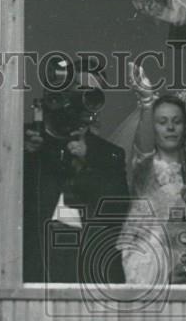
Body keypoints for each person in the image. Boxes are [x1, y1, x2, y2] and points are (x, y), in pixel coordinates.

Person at [23, 62, 129, 285]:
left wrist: (87, 161)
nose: (78, 101)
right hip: (37, 266)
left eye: (89, 95)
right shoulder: (30, 141)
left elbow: (115, 212)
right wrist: (28, 155)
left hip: (91, 269)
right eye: (74, 90)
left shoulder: (108, 154)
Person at [117, 70, 186, 288]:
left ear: (185, 126)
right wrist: (146, 99)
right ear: (153, 126)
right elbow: (142, 145)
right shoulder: (143, 165)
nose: (170, 128)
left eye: (176, 121)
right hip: (148, 256)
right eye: (162, 122)